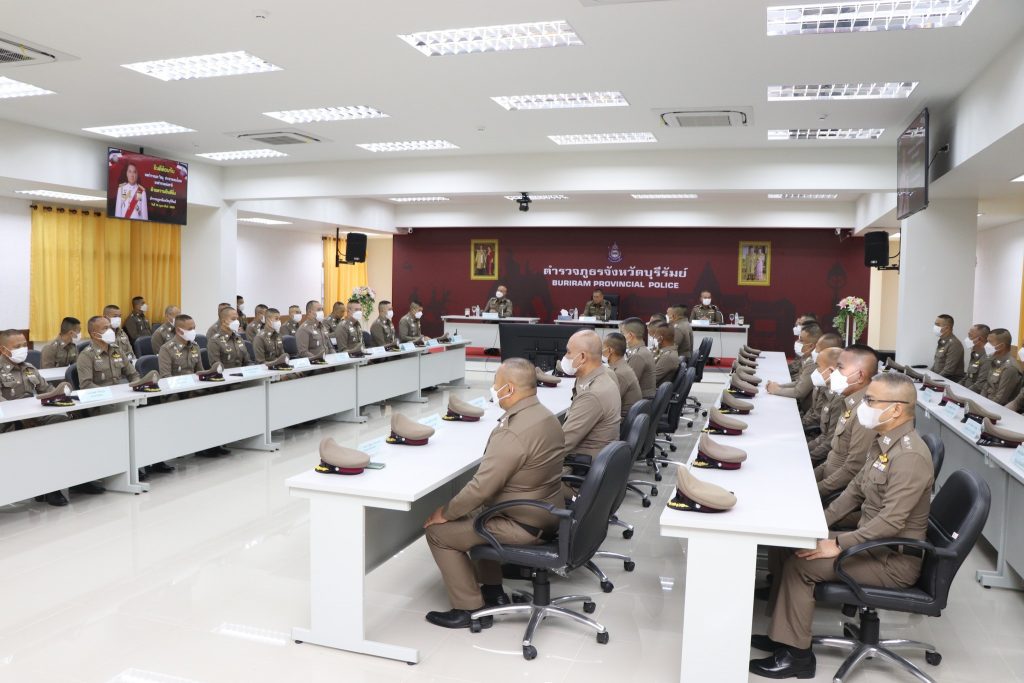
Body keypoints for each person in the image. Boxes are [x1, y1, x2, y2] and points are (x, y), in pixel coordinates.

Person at [751, 373, 933, 680]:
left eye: (871, 400)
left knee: (801, 564)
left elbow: (891, 522)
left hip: (892, 559)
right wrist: (816, 524)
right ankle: (780, 635)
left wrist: (836, 544)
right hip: (872, 543)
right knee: (792, 543)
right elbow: (854, 492)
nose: (864, 405)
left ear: (896, 409)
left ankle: (797, 657)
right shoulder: (884, 442)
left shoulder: (910, 456)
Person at [423, 358, 565, 628]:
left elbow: (481, 488)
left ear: (509, 389)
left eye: (496, 384)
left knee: (439, 533)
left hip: (523, 523)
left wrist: (446, 513)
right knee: (477, 513)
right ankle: (493, 592)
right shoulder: (546, 416)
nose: (493, 389)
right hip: (547, 513)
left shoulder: (513, 431)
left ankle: (469, 609)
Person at [0, 329, 81, 506]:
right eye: (17, 346)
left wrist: (63, 399)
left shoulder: (29, 367)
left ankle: (74, 480)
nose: (23, 349)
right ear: (3, 350)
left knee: (64, 425)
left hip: (34, 417)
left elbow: (48, 391)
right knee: (42, 437)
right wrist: (22, 418)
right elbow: (2, 405)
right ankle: (50, 488)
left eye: (24, 345)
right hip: (8, 424)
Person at [813, 345, 878, 500]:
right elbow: (833, 455)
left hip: (838, 494)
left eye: (840, 368)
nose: (834, 373)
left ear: (860, 376)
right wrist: (809, 477)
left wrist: (816, 490)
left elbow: (853, 469)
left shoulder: (865, 413)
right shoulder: (849, 401)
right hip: (828, 480)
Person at [560, 330, 621, 465]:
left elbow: (561, 445)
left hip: (579, 466)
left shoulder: (592, 394)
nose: (565, 357)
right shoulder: (605, 375)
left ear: (582, 357)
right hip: (595, 459)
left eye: (568, 352)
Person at [767, 324, 824, 414]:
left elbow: (799, 392)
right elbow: (799, 382)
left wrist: (776, 390)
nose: (797, 342)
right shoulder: (806, 357)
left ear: (811, 346)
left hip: (807, 413)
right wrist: (779, 386)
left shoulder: (813, 363)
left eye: (801, 340)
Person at [78, 315, 139, 389]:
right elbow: (86, 385)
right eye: (105, 328)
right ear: (95, 335)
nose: (111, 331)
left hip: (120, 392)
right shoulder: (86, 356)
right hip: (101, 394)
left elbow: (133, 374)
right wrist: (107, 393)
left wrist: (136, 386)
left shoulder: (117, 350)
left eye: (110, 327)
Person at [805, 347, 843, 463]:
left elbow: (829, 441)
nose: (815, 370)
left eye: (818, 367)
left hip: (824, 456)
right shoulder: (827, 389)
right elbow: (824, 435)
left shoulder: (839, 399)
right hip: (818, 442)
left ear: (830, 371)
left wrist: (806, 457)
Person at [799, 332, 843, 432]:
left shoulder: (834, 391)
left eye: (818, 366)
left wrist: (798, 426)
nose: (816, 370)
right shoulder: (823, 382)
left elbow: (817, 420)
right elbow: (812, 409)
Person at [979, 328, 1022, 405]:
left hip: (997, 408)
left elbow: (1000, 399)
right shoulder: (995, 361)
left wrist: (982, 406)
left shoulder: (1010, 368)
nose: (986, 345)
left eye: (990, 342)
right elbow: (986, 386)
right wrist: (979, 402)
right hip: (986, 403)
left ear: (1001, 346)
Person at [603, 333, 642, 418]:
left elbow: (608, 403)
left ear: (610, 350)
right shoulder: (622, 366)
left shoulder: (619, 373)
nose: (601, 351)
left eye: (603, 347)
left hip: (623, 418)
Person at [158, 314, 204, 378]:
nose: (193, 332)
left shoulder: (195, 347)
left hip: (194, 383)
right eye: (190, 329)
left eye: (194, 328)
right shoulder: (166, 349)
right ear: (178, 331)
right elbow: (166, 377)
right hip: (176, 383)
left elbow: (200, 372)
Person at [620, 318, 656, 399]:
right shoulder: (640, 350)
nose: (620, 336)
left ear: (630, 335)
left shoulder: (638, 355)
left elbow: (627, 383)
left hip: (637, 400)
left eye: (622, 333)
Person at [931, 314, 965, 382]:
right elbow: (936, 365)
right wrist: (929, 375)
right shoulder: (942, 342)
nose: (935, 327)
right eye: (935, 324)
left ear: (947, 328)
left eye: (937, 325)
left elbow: (948, 371)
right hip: (939, 379)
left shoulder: (954, 344)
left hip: (949, 381)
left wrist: (933, 381)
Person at [964, 323, 992, 391]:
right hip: (966, 389)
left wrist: (963, 392)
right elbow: (967, 377)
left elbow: (980, 385)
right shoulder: (975, 353)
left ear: (979, 339)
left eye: (970, 336)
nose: (967, 338)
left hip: (973, 393)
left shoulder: (988, 358)